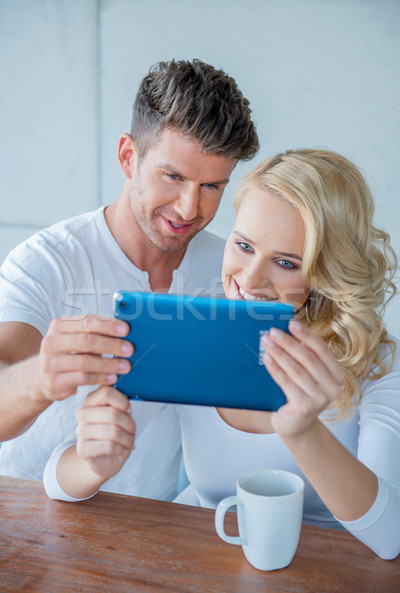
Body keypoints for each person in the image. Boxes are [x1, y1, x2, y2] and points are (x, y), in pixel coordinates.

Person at [45, 149, 400, 560]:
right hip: (205, 562)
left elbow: (391, 537)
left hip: (326, 572)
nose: (249, 280)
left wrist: (303, 432)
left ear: (326, 272)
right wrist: (94, 465)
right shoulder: (191, 334)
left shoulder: (376, 365)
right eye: (244, 246)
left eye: (286, 262)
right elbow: (57, 480)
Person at [0, 58, 259, 500]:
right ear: (128, 157)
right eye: (172, 176)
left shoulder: (230, 267)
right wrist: (42, 377)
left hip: (149, 525)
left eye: (212, 186)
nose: (188, 209)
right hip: (24, 513)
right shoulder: (45, 261)